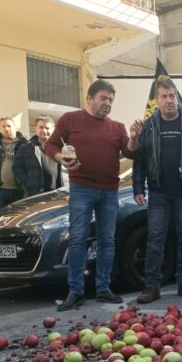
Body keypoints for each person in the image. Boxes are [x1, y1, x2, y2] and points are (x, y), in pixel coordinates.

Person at [45, 79, 138, 311]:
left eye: (111, 100)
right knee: (77, 239)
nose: (108, 103)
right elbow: (50, 145)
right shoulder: (70, 119)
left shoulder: (117, 127)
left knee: (107, 241)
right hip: (81, 189)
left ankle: (103, 288)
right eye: (103, 98)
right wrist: (60, 158)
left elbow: (129, 152)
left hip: (109, 191)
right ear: (89, 98)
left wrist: (135, 137)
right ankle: (75, 290)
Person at [131, 78, 182, 304]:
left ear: (177, 97)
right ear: (156, 100)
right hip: (158, 193)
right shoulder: (148, 126)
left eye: (172, 96)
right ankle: (151, 286)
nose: (168, 100)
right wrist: (138, 187)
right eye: (164, 96)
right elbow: (140, 159)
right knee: (155, 238)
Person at [13, 116, 63, 197]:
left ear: (53, 130)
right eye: (41, 127)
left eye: (47, 128)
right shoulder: (25, 148)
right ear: (36, 129)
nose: (44, 130)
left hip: (59, 193)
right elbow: (16, 167)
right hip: (35, 194)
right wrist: (27, 183)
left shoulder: (62, 147)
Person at [0, 116, 28, 210]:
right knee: (0, 220)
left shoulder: (25, 144)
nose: (6, 129)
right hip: (0, 191)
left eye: (9, 125)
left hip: (20, 190)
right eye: (3, 126)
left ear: (15, 127)